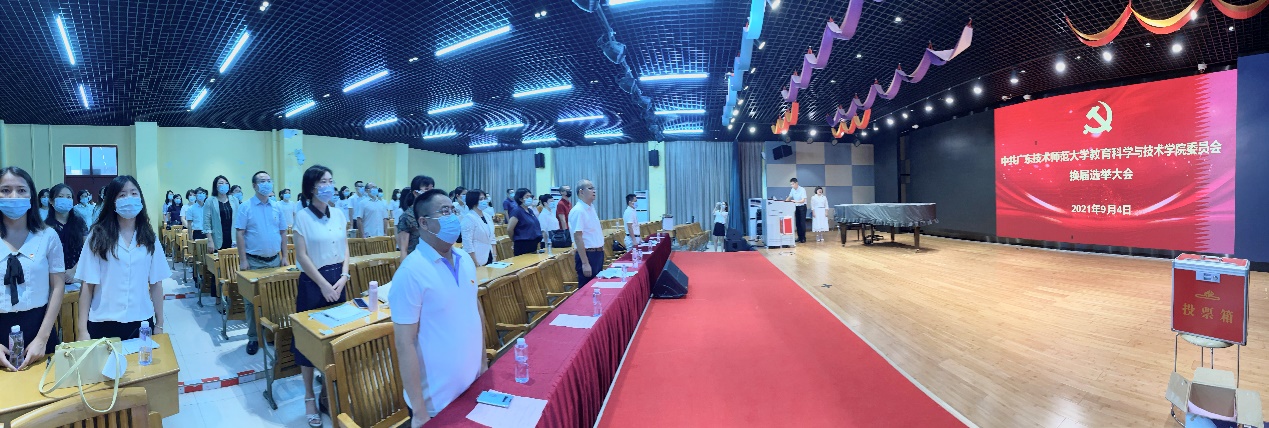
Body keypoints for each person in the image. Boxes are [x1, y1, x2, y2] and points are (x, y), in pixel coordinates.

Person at [390, 189, 485, 426]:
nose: (452, 217)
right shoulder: (410, 272)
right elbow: (404, 343)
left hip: (472, 384)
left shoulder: (465, 259)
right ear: (424, 223)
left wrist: (483, 365)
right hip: (437, 402)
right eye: (444, 212)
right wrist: (419, 412)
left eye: (453, 210)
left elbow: (475, 311)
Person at [290, 165, 350, 427]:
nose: (329, 186)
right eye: (323, 182)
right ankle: (309, 396)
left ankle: (327, 392)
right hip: (314, 282)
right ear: (312, 187)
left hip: (339, 279)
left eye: (331, 180)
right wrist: (324, 285)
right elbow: (302, 256)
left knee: (334, 338)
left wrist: (344, 276)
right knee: (309, 341)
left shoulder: (338, 213)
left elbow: (345, 248)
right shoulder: (302, 217)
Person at [76, 175, 169, 341]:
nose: (129, 199)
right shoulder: (97, 235)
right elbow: (87, 285)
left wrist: (159, 323)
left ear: (140, 199)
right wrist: (82, 330)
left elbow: (156, 284)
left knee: (142, 359)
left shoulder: (149, 237)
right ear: (112, 201)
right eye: (122, 195)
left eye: (134, 193)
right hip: (103, 321)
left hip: (141, 320)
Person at [0, 167, 65, 371]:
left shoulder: (48, 236)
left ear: (31, 196)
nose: (14, 196)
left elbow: (57, 286)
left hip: (39, 327)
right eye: (5, 190)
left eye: (21, 190)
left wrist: (42, 338)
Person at [234, 171, 287, 356]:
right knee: (251, 302)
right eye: (262, 181)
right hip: (254, 262)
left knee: (275, 299)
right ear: (255, 186)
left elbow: (283, 232)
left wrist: (285, 257)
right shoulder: (246, 207)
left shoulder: (276, 207)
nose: (267, 184)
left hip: (275, 261)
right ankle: (253, 337)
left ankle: (272, 334)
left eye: (269, 180)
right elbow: (240, 233)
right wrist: (243, 260)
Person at [47, 183, 88, 287]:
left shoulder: (79, 223)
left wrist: (73, 270)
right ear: (51, 201)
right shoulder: (46, 226)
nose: (65, 199)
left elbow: (87, 249)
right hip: (53, 278)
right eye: (60, 196)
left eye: (69, 197)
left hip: (78, 275)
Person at [569, 180, 604, 285]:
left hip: (598, 254)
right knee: (587, 289)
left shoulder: (591, 208)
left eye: (594, 188)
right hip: (588, 255)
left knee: (597, 287)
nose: (594, 191)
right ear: (581, 192)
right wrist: (585, 263)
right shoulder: (578, 210)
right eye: (590, 188)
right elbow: (578, 237)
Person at [396, 175, 434, 261]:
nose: (431, 193)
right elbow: (404, 250)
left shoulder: (433, 213)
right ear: (415, 193)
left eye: (432, 189)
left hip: (432, 258)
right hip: (415, 260)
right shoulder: (407, 216)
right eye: (426, 189)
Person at [460, 190, 495, 266]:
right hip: (477, 257)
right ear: (474, 201)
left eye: (484, 198)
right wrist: (475, 263)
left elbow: (492, 238)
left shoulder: (487, 216)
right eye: (481, 199)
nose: (484, 201)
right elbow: (467, 244)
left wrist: (494, 256)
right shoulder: (468, 218)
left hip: (489, 254)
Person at [204, 175, 238, 251]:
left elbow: (239, 219)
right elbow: (207, 223)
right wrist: (210, 241)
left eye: (226, 183)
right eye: (221, 183)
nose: (224, 185)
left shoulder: (234, 200)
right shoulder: (210, 201)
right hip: (217, 238)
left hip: (233, 237)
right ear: (215, 186)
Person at [505, 188, 541, 256]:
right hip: (522, 244)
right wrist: (514, 239)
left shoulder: (530, 211)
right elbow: (509, 229)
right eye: (527, 196)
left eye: (530, 196)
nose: (529, 198)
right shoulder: (517, 211)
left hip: (533, 243)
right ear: (520, 199)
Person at [784, 178, 808, 243]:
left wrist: (795, 201)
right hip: (796, 207)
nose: (792, 185)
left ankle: (803, 238)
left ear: (796, 183)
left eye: (793, 184)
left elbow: (803, 200)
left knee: (802, 223)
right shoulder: (792, 189)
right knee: (797, 223)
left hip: (802, 207)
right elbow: (789, 197)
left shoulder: (802, 189)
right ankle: (799, 237)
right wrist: (784, 202)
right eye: (791, 184)